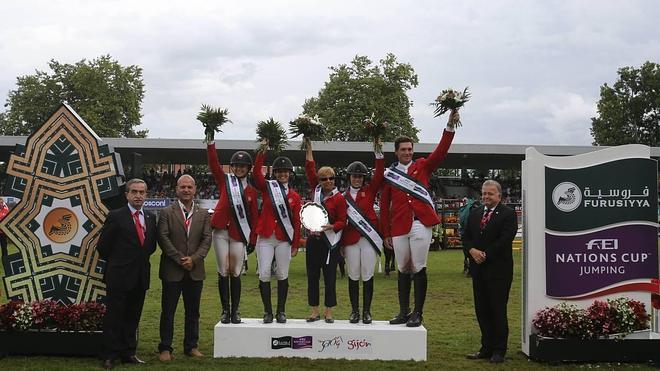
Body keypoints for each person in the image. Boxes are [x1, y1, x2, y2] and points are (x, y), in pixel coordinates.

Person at [380, 110, 458, 327]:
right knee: (402, 268)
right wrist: (385, 232)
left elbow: (441, 152)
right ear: (396, 152)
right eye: (403, 150)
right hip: (398, 227)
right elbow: (385, 207)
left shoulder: (422, 165)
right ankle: (403, 311)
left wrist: (449, 127)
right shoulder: (389, 175)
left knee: (418, 267)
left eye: (410, 149)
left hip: (420, 224)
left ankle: (418, 313)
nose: (407, 152)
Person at [97, 179, 158, 369]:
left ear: (146, 195)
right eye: (134, 192)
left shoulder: (149, 217)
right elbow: (103, 247)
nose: (138, 195)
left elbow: (150, 246)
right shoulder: (116, 216)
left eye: (142, 192)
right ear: (127, 194)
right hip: (119, 276)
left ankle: (129, 352)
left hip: (140, 276)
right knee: (114, 317)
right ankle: (110, 355)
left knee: (133, 317)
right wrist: (120, 262)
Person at [156, 175, 212, 361]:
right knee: (168, 312)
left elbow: (206, 239)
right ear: (176, 189)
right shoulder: (166, 212)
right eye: (183, 187)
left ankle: (191, 346)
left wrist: (194, 259)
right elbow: (163, 238)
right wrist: (181, 259)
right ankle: (165, 348)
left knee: (193, 312)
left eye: (189, 187)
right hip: (173, 270)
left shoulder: (203, 214)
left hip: (195, 271)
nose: (186, 190)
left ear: (195, 189)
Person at [462, 180, 517, 364]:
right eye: (484, 193)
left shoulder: (508, 214)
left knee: (497, 309)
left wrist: (485, 254)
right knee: (482, 310)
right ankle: (486, 347)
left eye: (490, 194)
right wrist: (471, 251)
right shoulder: (475, 212)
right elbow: (466, 235)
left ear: (499, 196)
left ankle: (499, 350)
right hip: (478, 270)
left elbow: (505, 239)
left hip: (499, 270)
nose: (486, 196)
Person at [207, 140, 258, 324]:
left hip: (238, 235)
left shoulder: (252, 191)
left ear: (248, 168)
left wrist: (252, 239)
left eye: (242, 166)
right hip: (220, 231)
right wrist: (211, 142)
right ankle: (224, 310)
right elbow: (213, 164)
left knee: (235, 271)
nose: (238, 169)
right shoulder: (224, 180)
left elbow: (254, 218)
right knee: (223, 270)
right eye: (236, 165)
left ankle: (235, 311)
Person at [253, 142, 302, 324]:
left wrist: (295, 244)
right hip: (265, 237)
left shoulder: (295, 197)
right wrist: (263, 151)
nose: (282, 174)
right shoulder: (267, 188)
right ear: (274, 173)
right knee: (264, 272)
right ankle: (267, 311)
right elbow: (256, 173)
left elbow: (296, 222)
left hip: (284, 240)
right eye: (279, 171)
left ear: (290, 173)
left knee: (282, 274)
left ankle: (281, 311)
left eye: (285, 171)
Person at [304, 138, 347, 323]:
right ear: (319, 181)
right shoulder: (316, 190)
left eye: (331, 178)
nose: (328, 181)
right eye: (324, 179)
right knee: (312, 276)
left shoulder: (339, 198)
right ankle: (315, 310)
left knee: (329, 278)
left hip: (330, 243)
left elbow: (342, 221)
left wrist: (332, 226)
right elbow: (309, 167)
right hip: (314, 240)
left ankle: (329, 311)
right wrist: (308, 146)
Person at [340, 146, 384, 324]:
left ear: (364, 178)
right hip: (350, 240)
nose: (357, 179)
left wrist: (378, 152)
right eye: (354, 176)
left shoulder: (370, 190)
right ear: (349, 177)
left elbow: (380, 174)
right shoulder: (342, 197)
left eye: (360, 176)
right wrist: (341, 243)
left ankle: (367, 311)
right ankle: (354, 311)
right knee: (353, 275)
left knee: (367, 275)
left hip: (368, 239)